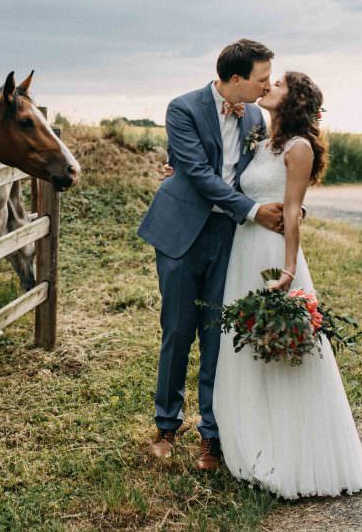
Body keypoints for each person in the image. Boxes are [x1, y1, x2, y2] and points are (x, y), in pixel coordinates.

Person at [211, 70, 362, 497]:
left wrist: (287, 272)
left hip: (272, 256)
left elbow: (293, 213)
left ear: (294, 100)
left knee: (281, 347)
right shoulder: (263, 142)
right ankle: (253, 444)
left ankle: (294, 453)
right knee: (247, 345)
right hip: (243, 253)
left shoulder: (299, 149)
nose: (268, 87)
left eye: (278, 85)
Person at [137, 38, 285, 469]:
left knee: (218, 335)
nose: (265, 86)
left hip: (228, 235)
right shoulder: (182, 108)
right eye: (260, 79)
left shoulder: (256, 114)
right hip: (182, 233)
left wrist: (284, 202)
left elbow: (261, 170)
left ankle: (212, 436)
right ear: (235, 79)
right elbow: (198, 172)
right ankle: (166, 426)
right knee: (178, 330)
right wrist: (255, 211)